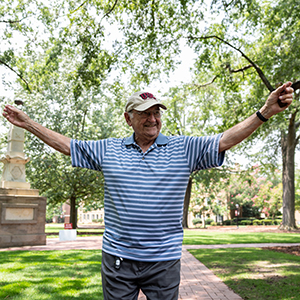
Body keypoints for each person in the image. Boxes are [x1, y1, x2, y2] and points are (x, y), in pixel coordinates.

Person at [2, 83, 294, 299]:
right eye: (144, 114)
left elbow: (225, 140)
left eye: (156, 112)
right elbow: (68, 145)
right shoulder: (109, 149)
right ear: (129, 118)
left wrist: (265, 112)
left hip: (164, 260)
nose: (153, 119)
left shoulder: (183, 149)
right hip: (118, 259)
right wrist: (28, 124)